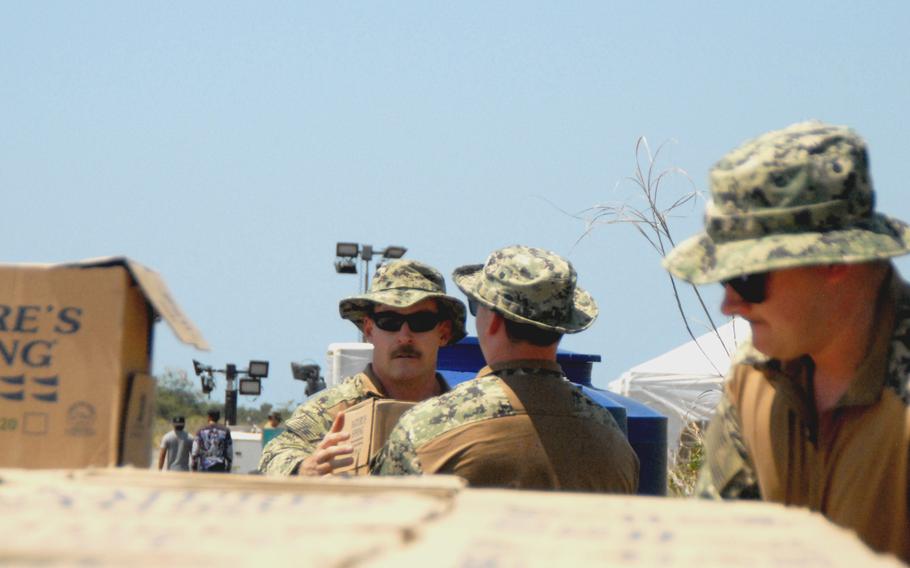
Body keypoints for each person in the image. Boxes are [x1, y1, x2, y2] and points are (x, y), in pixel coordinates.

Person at [662, 121, 910, 560]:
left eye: (747, 277)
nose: (730, 304)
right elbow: (712, 547)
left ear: (835, 261)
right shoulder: (755, 378)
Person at [372, 245, 640, 493]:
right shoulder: (614, 441)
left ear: (494, 321)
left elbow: (381, 527)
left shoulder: (426, 428)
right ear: (562, 328)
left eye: (476, 305)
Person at [258, 259, 467, 476]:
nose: (405, 337)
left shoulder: (465, 414)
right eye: (389, 321)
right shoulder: (333, 410)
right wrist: (305, 467)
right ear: (369, 330)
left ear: (443, 332)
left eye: (421, 321)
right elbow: (273, 456)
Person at [190, 409, 233, 473]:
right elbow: (229, 449)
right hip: (220, 466)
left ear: (209, 417)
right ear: (218, 418)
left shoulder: (201, 430)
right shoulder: (225, 430)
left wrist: (194, 463)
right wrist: (229, 463)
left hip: (204, 466)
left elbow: (195, 448)